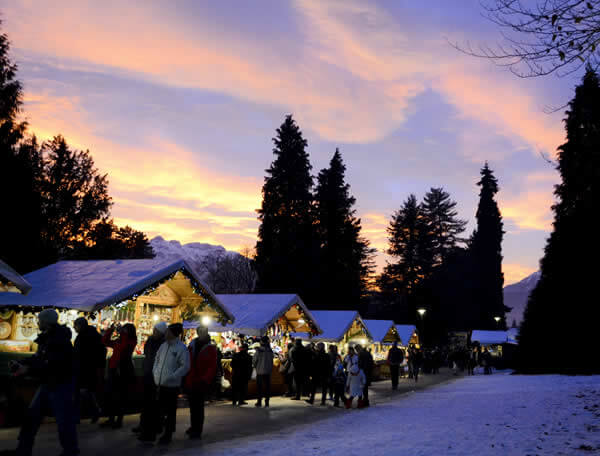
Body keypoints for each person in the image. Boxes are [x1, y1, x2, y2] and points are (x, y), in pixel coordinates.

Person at [5, 309, 79, 456]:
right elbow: (39, 358)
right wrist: (21, 363)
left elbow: (52, 364)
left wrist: (28, 369)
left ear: (46, 322)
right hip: (48, 384)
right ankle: (23, 450)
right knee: (32, 418)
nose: (37, 322)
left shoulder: (59, 341)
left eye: (39, 320)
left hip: (60, 385)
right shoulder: (49, 337)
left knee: (63, 421)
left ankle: (70, 451)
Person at [151, 323, 189, 445]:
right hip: (160, 384)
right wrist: (155, 372)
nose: (165, 333)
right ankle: (158, 430)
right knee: (159, 409)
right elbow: (157, 359)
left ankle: (168, 434)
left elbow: (185, 366)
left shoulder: (181, 348)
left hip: (172, 386)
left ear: (173, 333)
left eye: (168, 331)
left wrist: (172, 377)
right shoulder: (163, 345)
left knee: (170, 411)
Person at [100, 322, 137, 429]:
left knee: (120, 397)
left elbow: (123, 347)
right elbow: (105, 341)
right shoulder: (119, 340)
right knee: (111, 395)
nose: (122, 332)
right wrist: (111, 329)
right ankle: (111, 419)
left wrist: (122, 333)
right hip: (114, 369)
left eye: (125, 330)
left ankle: (118, 421)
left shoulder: (130, 341)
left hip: (123, 370)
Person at [183, 325, 217, 440]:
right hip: (191, 380)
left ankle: (197, 430)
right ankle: (193, 426)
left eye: (203, 331)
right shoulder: (192, 344)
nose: (201, 333)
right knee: (193, 407)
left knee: (198, 407)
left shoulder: (210, 348)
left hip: (201, 381)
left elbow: (212, 366)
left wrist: (205, 379)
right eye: (200, 331)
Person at [136, 321, 167, 439]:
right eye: (154, 330)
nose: (154, 332)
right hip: (148, 374)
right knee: (146, 402)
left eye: (156, 331)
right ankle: (143, 424)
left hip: (157, 377)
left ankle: (153, 427)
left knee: (154, 404)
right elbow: (147, 355)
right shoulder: (150, 341)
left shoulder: (163, 344)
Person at [73, 317, 106, 423]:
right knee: (84, 392)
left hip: (86, 369)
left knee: (83, 392)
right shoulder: (92, 335)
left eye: (75, 325)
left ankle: (92, 411)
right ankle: (90, 412)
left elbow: (84, 354)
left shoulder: (85, 337)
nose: (74, 327)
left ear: (81, 326)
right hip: (88, 368)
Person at [253, 335, 274, 407]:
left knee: (259, 388)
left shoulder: (259, 350)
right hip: (268, 372)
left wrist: (256, 366)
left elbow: (254, 361)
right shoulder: (270, 350)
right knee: (267, 388)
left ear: (261, 341)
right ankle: (267, 402)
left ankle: (259, 402)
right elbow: (272, 361)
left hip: (260, 372)